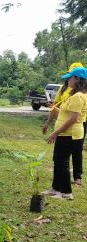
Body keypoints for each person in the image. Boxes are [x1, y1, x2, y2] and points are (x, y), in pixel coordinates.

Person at [42, 67, 87, 200]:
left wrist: (55, 132)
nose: (68, 80)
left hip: (70, 134)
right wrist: (50, 120)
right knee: (58, 160)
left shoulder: (79, 96)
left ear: (77, 79)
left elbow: (74, 118)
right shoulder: (75, 95)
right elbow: (62, 112)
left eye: (71, 77)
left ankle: (66, 192)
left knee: (62, 161)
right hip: (66, 133)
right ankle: (55, 188)